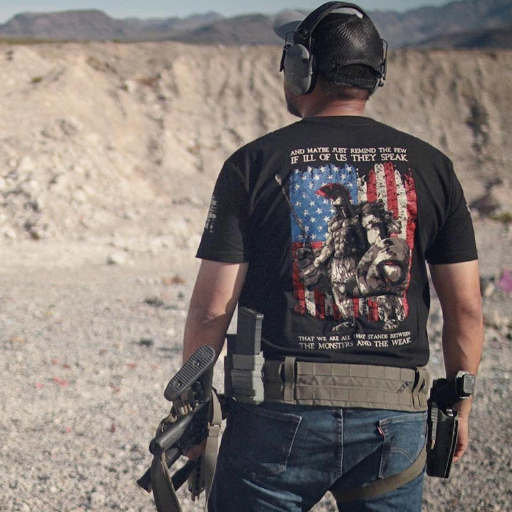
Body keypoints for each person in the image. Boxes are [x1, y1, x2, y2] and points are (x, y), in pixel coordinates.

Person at [182, 3, 484, 511]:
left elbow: (213, 309)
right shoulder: (433, 166)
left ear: (302, 67)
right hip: (395, 416)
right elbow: (468, 309)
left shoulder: (253, 163)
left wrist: (194, 409)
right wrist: (461, 407)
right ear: (376, 71)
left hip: (278, 414)